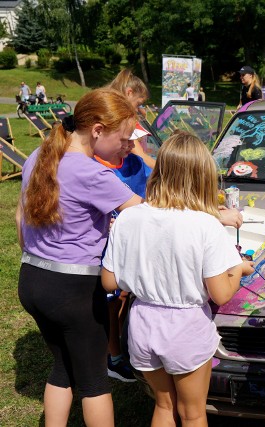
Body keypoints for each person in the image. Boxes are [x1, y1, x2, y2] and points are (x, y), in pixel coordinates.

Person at [101, 130, 254, 427]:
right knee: (193, 413)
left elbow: (109, 283)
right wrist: (238, 269)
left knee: (163, 404)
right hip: (186, 329)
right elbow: (221, 294)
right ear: (203, 176)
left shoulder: (128, 218)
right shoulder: (206, 224)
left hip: (143, 324)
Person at [15, 88, 142, 427]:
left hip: (32, 279)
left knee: (63, 368)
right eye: (124, 138)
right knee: (94, 381)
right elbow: (148, 217)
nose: (126, 146)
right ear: (97, 130)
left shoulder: (39, 155)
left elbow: (19, 219)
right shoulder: (92, 173)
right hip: (74, 290)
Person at [108, 68, 156, 169]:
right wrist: (169, 169)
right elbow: (141, 157)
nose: (137, 110)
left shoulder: (110, 110)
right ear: (129, 92)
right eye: (138, 104)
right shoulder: (121, 120)